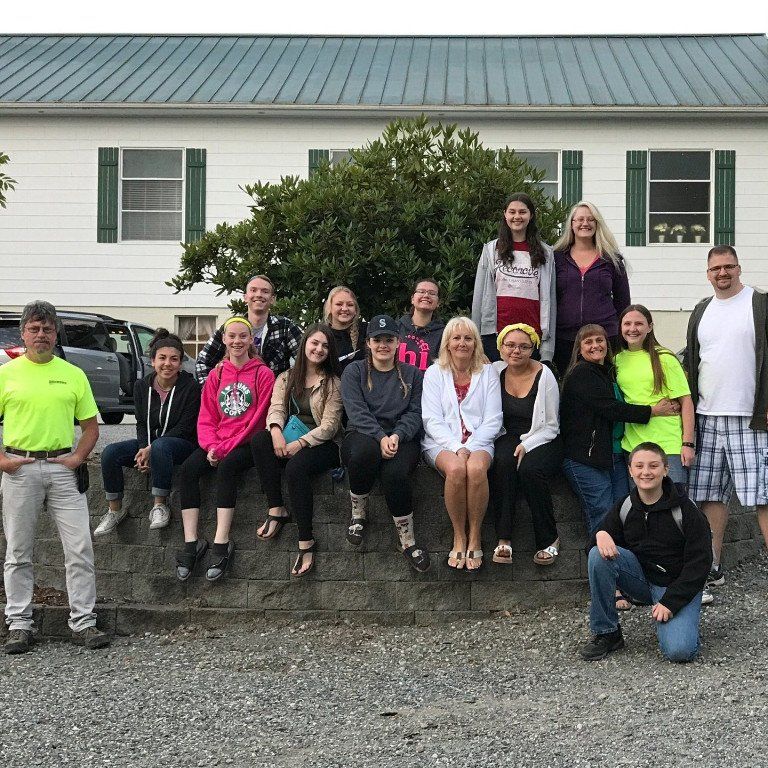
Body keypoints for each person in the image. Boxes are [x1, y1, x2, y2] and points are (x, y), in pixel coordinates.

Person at [0, 300, 109, 654]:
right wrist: (2, 461)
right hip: (20, 468)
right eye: (34, 329)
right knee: (18, 551)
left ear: (56, 333)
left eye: (47, 329)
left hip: (63, 470)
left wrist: (77, 457)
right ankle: (19, 624)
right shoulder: (6, 374)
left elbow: (91, 427)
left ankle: (84, 621)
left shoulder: (73, 374)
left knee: (80, 548)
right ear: (23, 334)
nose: (41, 335)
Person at [685, 245, 768, 593]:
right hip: (707, 416)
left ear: (739, 268)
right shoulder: (701, 310)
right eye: (716, 268)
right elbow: (693, 359)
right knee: (710, 495)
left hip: (750, 417)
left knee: (763, 495)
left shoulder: (760, 304)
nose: (722, 273)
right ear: (708, 274)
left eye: (728, 266)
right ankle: (712, 566)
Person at [580, 442, 712, 663]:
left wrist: (671, 601)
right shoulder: (625, 506)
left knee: (679, 652)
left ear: (665, 469)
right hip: (641, 579)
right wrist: (600, 534)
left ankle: (681, 621)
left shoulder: (685, 509)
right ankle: (607, 633)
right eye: (639, 466)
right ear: (630, 471)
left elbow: (701, 563)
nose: (646, 472)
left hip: (676, 584)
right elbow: (594, 544)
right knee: (597, 554)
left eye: (653, 466)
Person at [175, 317, 275, 583]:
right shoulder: (216, 375)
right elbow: (206, 416)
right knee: (188, 469)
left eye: (243, 336)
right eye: (232, 336)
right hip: (217, 442)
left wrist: (224, 449)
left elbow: (258, 421)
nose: (237, 341)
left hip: (244, 444)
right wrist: (211, 446)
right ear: (224, 340)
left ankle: (221, 542)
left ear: (251, 340)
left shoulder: (263, 374)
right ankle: (192, 542)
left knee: (227, 469)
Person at [560, 323, 680, 536]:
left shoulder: (607, 371)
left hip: (612, 454)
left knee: (624, 510)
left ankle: (620, 555)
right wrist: (652, 411)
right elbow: (611, 408)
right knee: (603, 513)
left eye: (600, 340)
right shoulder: (582, 373)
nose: (595, 345)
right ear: (579, 349)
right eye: (588, 342)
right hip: (585, 459)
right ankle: (599, 555)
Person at [251, 324, 343, 576]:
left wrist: (300, 443)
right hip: (288, 438)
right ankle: (276, 509)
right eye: (315, 343)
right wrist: (275, 431)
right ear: (304, 345)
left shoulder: (333, 383)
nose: (319, 349)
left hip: (323, 444)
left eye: (325, 346)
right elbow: (277, 408)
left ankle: (306, 540)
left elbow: (330, 426)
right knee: (259, 441)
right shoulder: (286, 377)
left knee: (295, 469)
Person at [340, 314, 430, 572]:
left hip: (401, 437)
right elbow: (356, 411)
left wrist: (397, 436)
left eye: (389, 340)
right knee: (363, 454)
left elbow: (415, 412)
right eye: (377, 340)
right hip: (363, 433)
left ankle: (407, 541)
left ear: (398, 342)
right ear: (368, 343)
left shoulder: (413, 374)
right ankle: (359, 514)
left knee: (395, 474)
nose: (383, 345)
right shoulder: (354, 371)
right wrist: (380, 437)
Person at [94, 329, 200, 536]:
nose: (167, 364)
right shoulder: (142, 386)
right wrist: (143, 449)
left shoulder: (191, 387)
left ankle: (159, 505)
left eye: (174, 359)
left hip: (181, 444)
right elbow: (141, 423)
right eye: (162, 358)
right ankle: (114, 510)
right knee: (110, 453)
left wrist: (151, 449)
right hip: (152, 443)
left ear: (180, 363)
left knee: (161, 446)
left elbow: (185, 427)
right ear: (152, 361)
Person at [421, 317, 501, 570]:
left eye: (468, 338)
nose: (462, 343)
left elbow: (494, 418)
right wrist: (458, 448)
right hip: (441, 442)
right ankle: (459, 536)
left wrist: (471, 446)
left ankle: (475, 534)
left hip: (481, 440)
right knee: (456, 470)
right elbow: (431, 419)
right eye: (456, 338)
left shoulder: (488, 372)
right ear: (447, 343)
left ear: (476, 343)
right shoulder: (434, 373)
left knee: (476, 469)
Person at [489, 323, 562, 566]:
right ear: (500, 347)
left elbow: (551, 425)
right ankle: (504, 538)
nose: (516, 351)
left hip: (543, 436)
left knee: (531, 470)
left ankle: (549, 538)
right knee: (502, 462)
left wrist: (527, 445)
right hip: (507, 434)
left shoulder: (545, 375)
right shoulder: (494, 371)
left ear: (533, 349)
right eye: (510, 345)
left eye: (524, 346)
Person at [614, 304, 695, 486]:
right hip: (633, 446)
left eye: (639, 324)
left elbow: (686, 401)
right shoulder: (617, 360)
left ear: (649, 327)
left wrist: (688, 443)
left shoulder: (664, 358)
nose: (632, 329)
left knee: (672, 500)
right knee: (641, 501)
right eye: (627, 324)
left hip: (667, 444)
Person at [471, 192, 556, 363]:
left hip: (532, 337)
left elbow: (550, 300)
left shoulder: (546, 252)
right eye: (512, 212)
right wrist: (476, 342)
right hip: (495, 336)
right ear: (505, 214)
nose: (517, 216)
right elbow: (478, 297)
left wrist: (548, 349)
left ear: (531, 215)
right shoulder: (491, 250)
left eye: (522, 212)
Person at [552, 201, 631, 375]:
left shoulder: (611, 259)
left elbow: (623, 301)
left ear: (597, 224)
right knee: (570, 385)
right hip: (565, 339)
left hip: (604, 338)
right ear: (571, 224)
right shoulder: (557, 258)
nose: (585, 223)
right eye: (580, 219)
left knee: (604, 384)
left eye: (590, 219)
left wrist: (623, 334)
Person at [195, 274, 302, 382]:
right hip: (236, 391)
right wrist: (211, 389)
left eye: (265, 291)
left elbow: (304, 359)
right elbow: (202, 362)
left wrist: (289, 388)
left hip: (274, 391)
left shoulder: (285, 326)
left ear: (272, 299)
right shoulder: (231, 328)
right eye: (253, 290)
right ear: (245, 297)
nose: (259, 295)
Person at [397, 277, 445, 372]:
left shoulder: (444, 334)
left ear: (438, 302)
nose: (426, 295)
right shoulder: (396, 328)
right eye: (421, 291)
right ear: (412, 299)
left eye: (432, 293)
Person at [323, 285, 367, 371]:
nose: (345, 308)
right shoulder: (322, 335)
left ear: (355, 310)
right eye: (339, 304)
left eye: (350, 305)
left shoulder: (366, 330)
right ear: (330, 308)